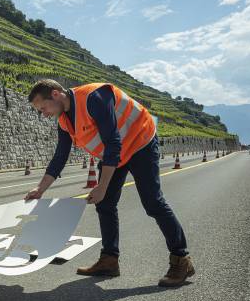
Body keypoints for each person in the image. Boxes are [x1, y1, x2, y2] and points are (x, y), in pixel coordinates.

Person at [24, 79, 194, 287]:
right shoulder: (64, 121)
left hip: (140, 142)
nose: (44, 114)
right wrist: (40, 189)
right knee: (104, 204)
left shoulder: (94, 97)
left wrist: (102, 186)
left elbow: (113, 141)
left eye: (43, 108)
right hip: (115, 153)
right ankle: (109, 260)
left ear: (56, 94)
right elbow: (60, 156)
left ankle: (181, 259)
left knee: (153, 203)